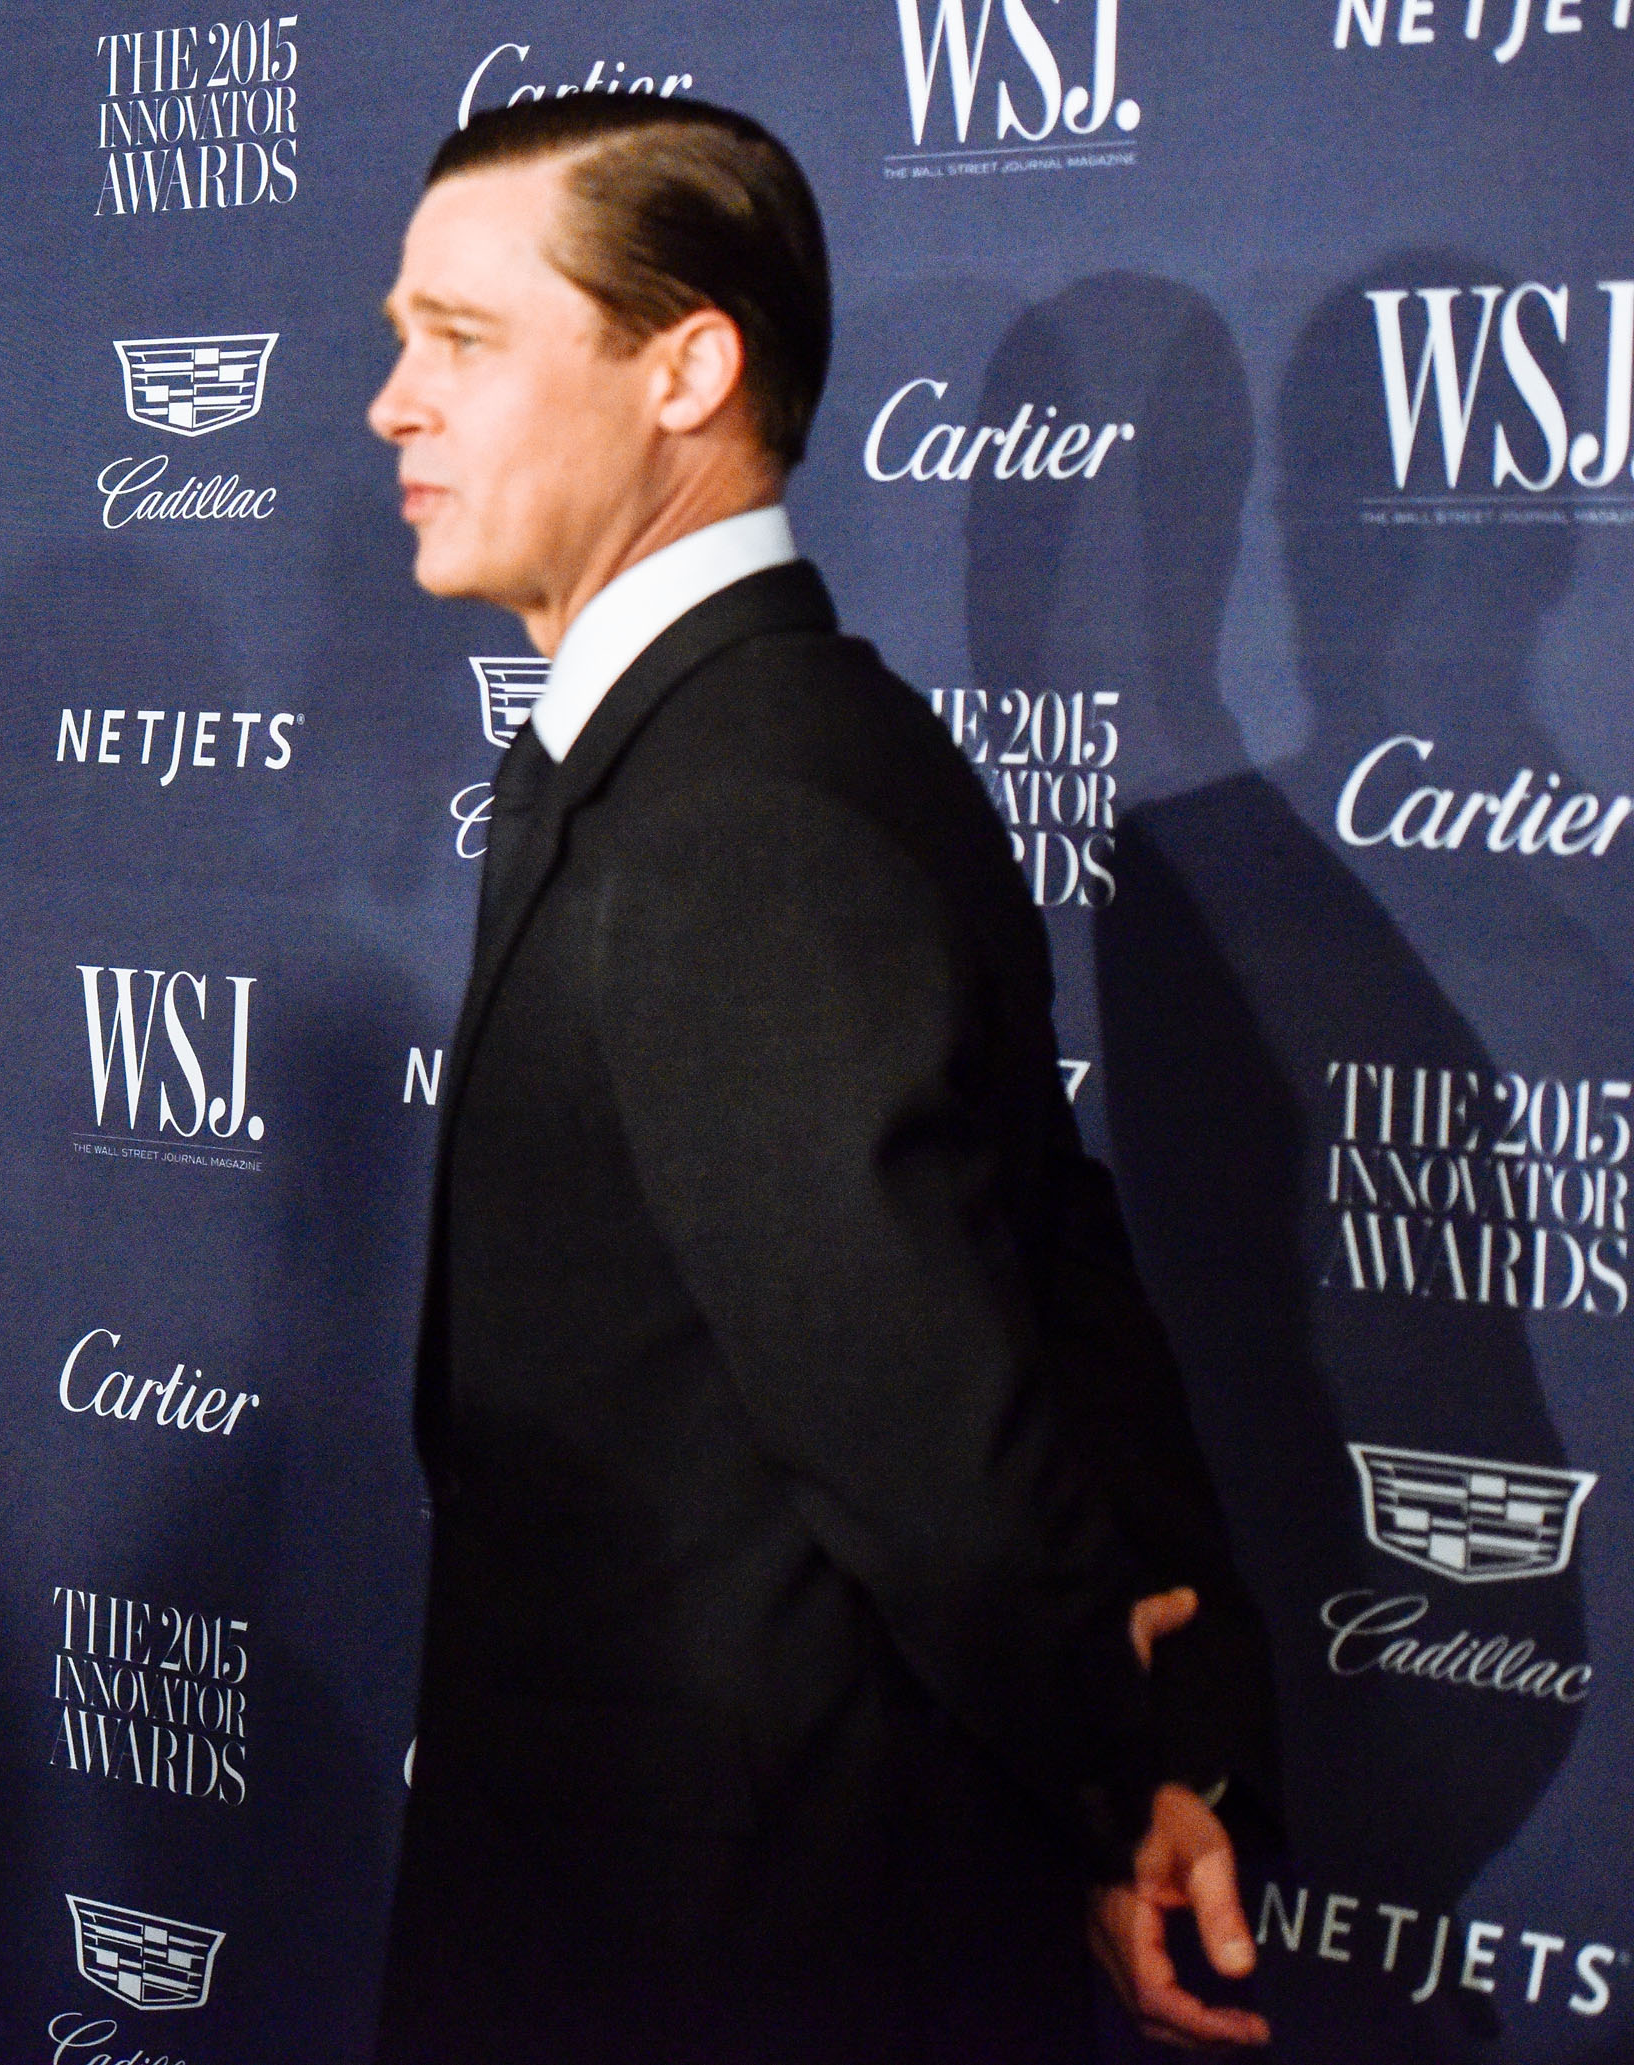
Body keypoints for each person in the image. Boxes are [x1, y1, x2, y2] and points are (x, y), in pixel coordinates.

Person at [366, 97, 1277, 2060]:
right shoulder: (712, 752)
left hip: (724, 1956)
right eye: (398, 339)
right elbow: (1040, 1258)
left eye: (461, 339)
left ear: (688, 364)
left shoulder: (745, 813)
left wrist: (1124, 1785)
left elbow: (928, 1437)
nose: (392, 404)